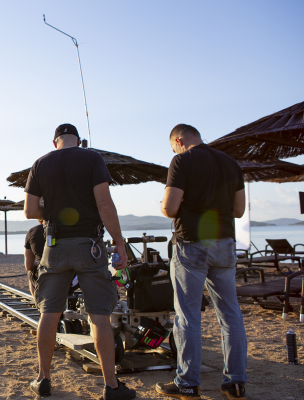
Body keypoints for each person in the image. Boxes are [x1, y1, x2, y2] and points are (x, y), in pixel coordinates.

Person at [24, 123, 134, 400]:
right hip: (90, 245)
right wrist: (120, 243)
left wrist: (53, 211)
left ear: (55, 142)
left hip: (54, 245)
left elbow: (30, 211)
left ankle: (43, 379)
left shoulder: (40, 164)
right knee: (98, 315)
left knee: (49, 313)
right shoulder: (92, 158)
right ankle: (111, 386)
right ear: (79, 140)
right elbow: (104, 204)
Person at [156, 124, 247, 400]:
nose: (174, 150)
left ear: (179, 140)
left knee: (188, 316)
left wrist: (162, 205)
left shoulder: (182, 160)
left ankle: (188, 383)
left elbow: (170, 208)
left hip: (192, 242)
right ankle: (235, 383)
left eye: (173, 146)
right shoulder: (231, 164)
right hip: (224, 243)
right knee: (230, 314)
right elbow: (239, 210)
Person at [24, 218, 45, 295]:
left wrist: (38, 264)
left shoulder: (33, 232)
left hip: (45, 276)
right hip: (73, 278)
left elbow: (28, 266)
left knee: (31, 271)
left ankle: (37, 302)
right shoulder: (69, 229)